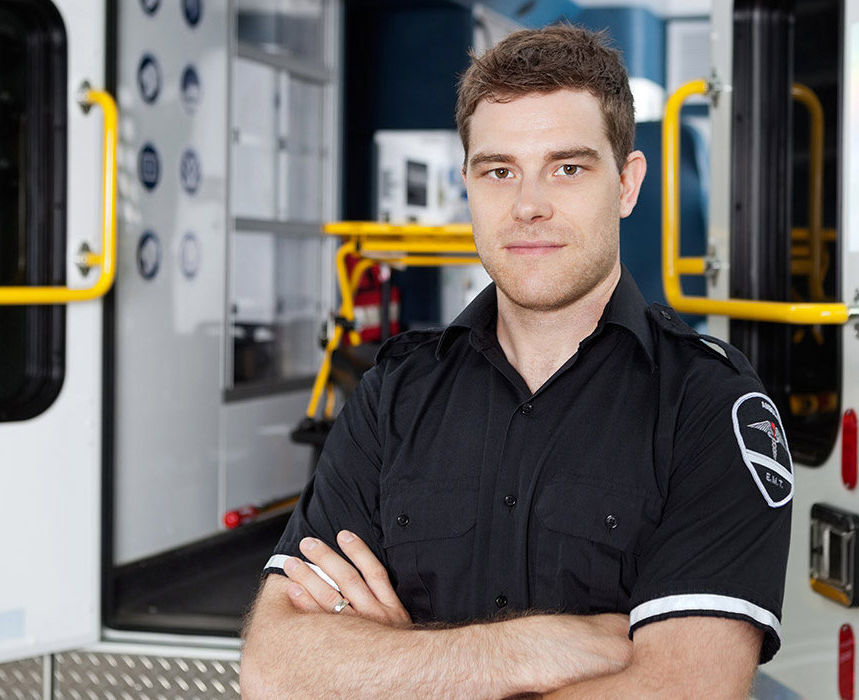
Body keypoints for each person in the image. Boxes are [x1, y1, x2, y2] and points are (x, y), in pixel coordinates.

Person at [239, 24, 793, 699]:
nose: (528, 206)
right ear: (467, 184)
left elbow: (683, 691)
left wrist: (392, 663)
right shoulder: (393, 398)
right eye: (499, 171)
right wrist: (538, 647)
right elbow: (274, 669)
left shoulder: (710, 408)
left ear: (626, 183)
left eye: (568, 167)